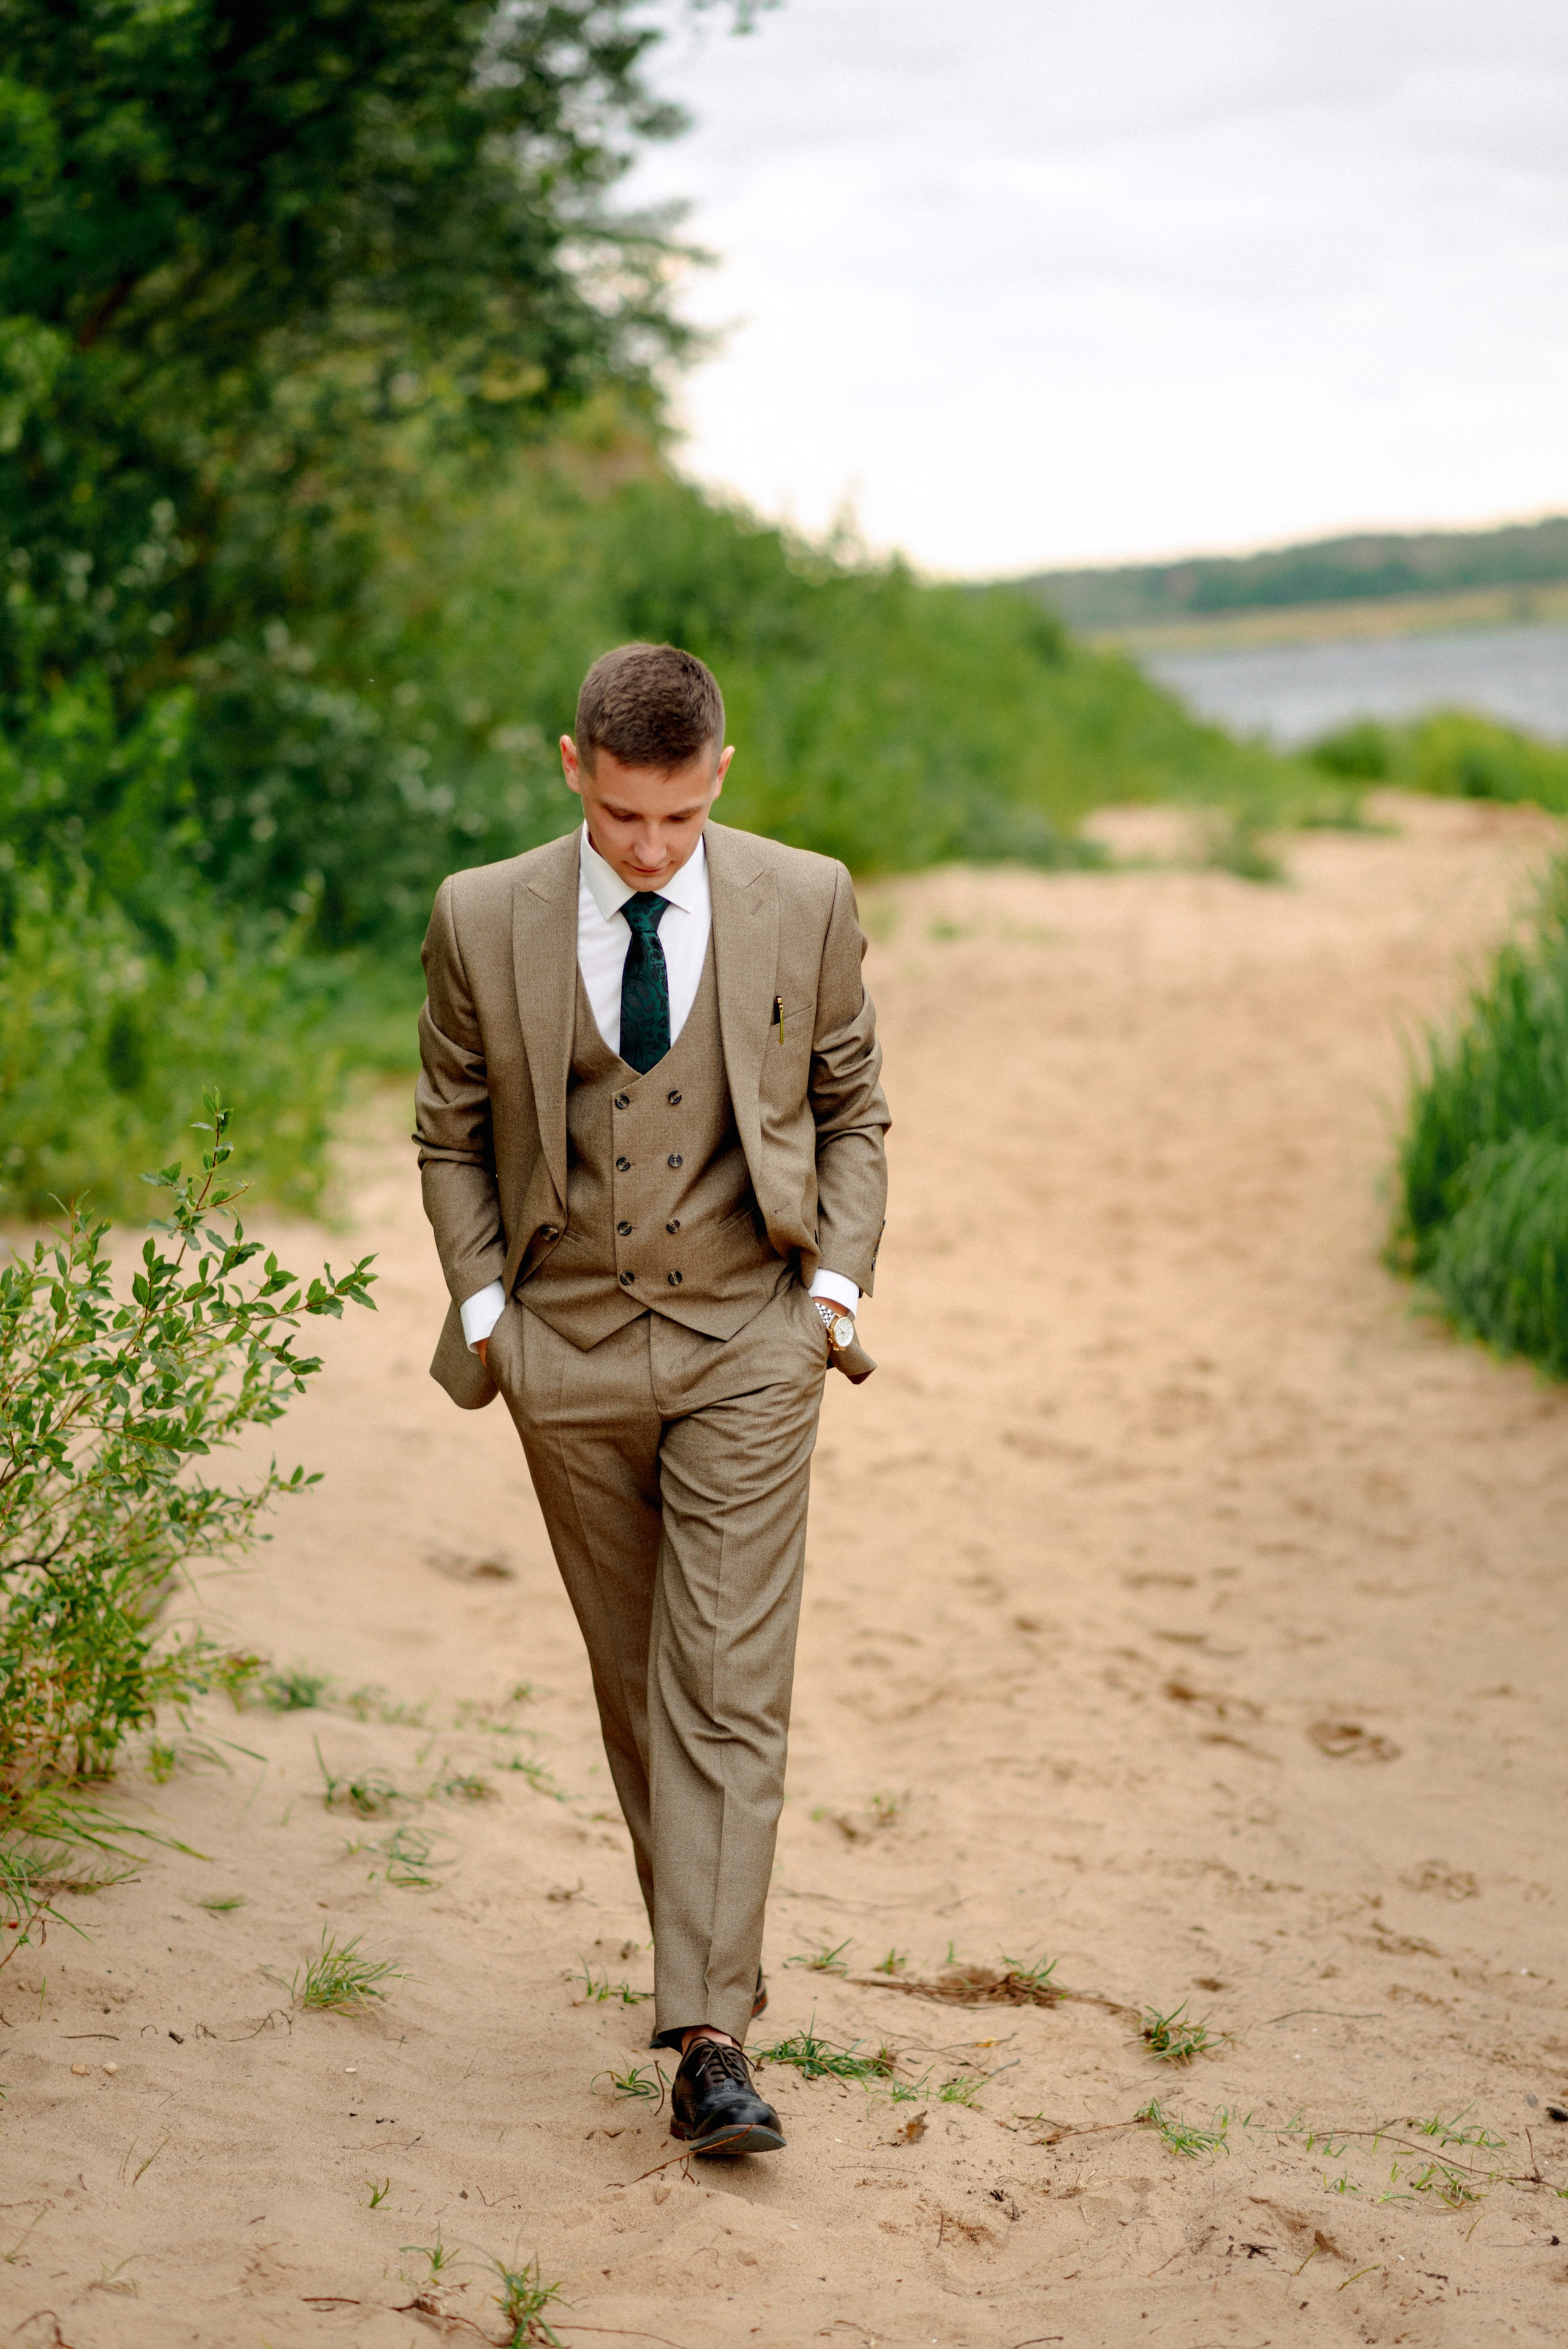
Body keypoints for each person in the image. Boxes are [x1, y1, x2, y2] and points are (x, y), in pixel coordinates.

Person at [413, 642, 890, 2157]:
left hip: (750, 1331)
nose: (650, 848)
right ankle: (702, 1979)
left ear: (718, 781)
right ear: (575, 770)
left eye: (678, 820)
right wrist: (490, 1311)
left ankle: (710, 2042)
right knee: (641, 1686)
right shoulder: (480, 916)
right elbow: (447, 1128)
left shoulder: (802, 896)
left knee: (724, 1681)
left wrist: (832, 1294)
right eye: (623, 816)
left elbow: (850, 1105)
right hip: (561, 1343)